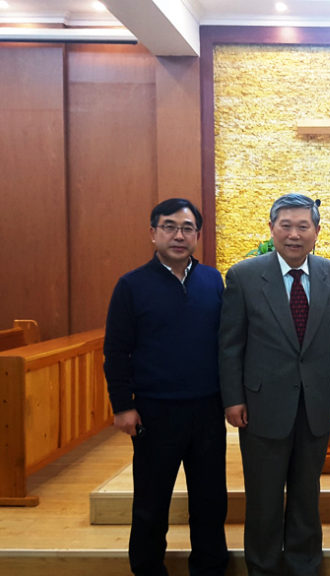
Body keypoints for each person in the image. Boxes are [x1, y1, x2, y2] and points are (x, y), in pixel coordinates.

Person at [219, 193, 330, 576]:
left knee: (307, 494)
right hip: (262, 405)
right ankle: (262, 567)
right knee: (264, 496)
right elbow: (230, 344)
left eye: (303, 226)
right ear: (271, 228)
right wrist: (233, 398)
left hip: (316, 404)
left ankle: (304, 565)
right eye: (286, 225)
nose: (294, 234)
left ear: (317, 231)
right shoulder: (243, 276)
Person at [103, 198, 229, 576]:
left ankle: (209, 568)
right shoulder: (132, 285)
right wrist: (122, 405)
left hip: (207, 409)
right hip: (155, 411)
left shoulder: (213, 281)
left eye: (187, 228)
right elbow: (116, 350)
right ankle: (147, 568)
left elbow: (226, 343)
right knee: (151, 502)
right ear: (153, 233)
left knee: (210, 500)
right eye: (170, 227)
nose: (179, 235)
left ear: (198, 235)